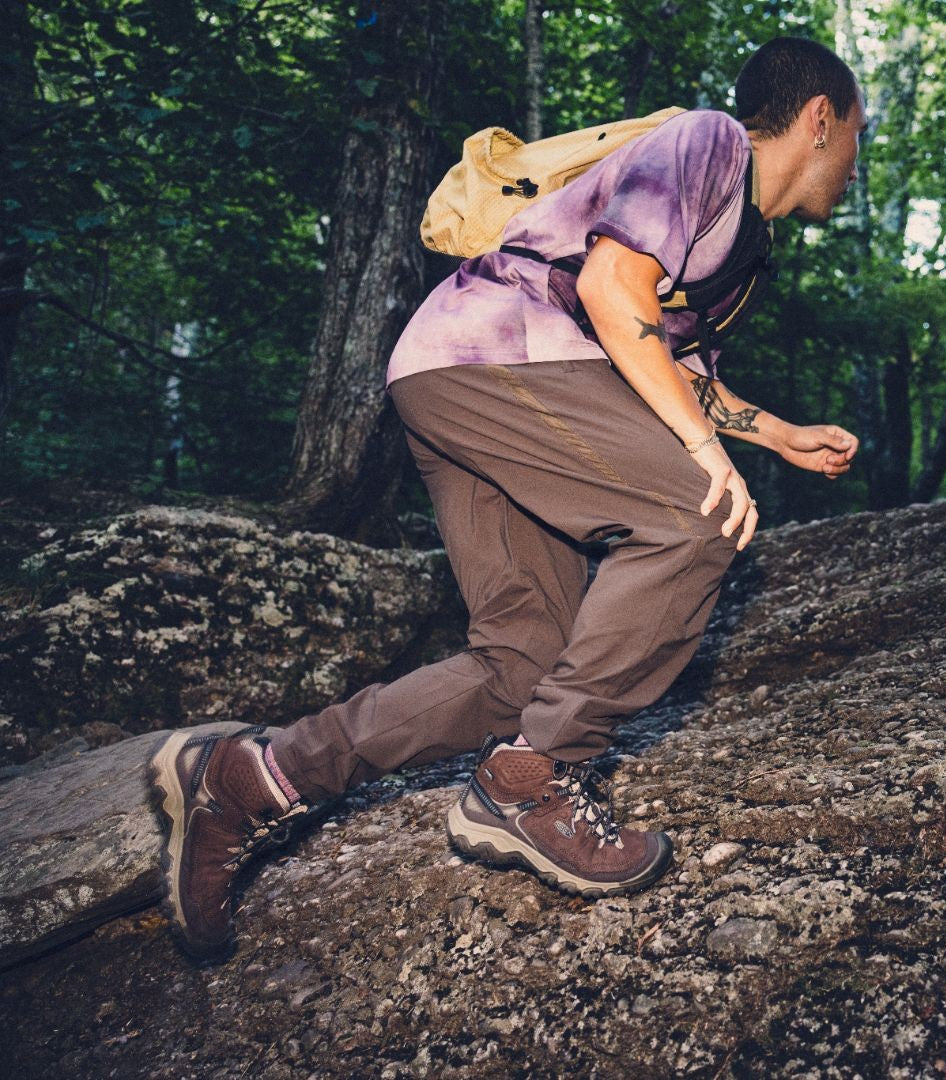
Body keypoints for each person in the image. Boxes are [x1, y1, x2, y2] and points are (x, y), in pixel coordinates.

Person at [151, 37, 865, 959]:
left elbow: (667, 355)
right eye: (856, 135)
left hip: (452, 374)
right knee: (696, 515)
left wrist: (771, 435)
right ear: (820, 118)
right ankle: (535, 781)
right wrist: (703, 460)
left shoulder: (743, 245)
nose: (855, 163)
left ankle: (250, 778)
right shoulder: (709, 142)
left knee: (523, 667)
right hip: (502, 360)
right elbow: (612, 289)